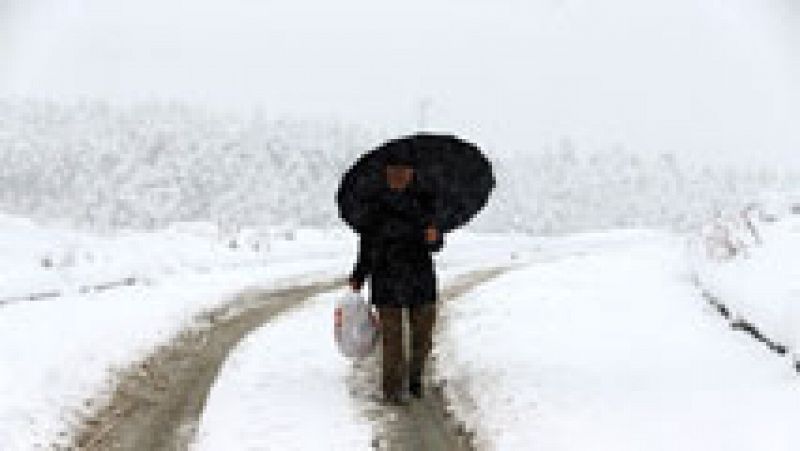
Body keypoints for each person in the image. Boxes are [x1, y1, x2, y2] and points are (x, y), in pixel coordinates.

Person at [348, 152, 443, 405]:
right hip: (386, 277)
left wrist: (435, 237)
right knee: (392, 340)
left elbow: (436, 242)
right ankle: (392, 390)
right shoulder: (375, 207)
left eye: (404, 171)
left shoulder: (425, 202)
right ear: (386, 174)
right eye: (394, 171)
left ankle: (415, 378)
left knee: (422, 338)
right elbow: (366, 246)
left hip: (420, 278)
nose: (399, 176)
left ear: (411, 174)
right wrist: (359, 274)